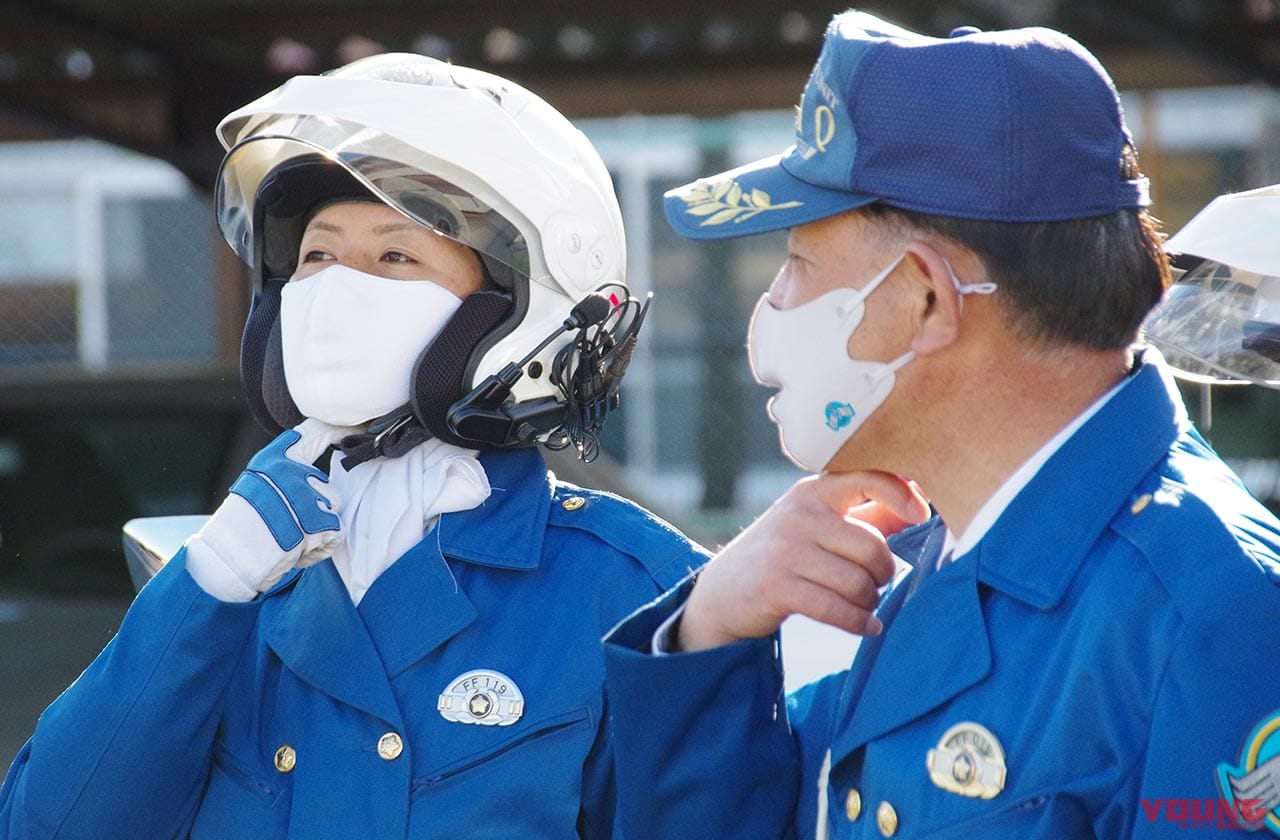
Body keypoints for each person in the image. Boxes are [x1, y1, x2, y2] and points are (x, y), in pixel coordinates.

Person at [601, 12, 1280, 840]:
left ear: (925, 297)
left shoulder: (1222, 613)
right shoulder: (925, 556)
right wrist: (706, 636)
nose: (773, 301)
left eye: (800, 261)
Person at [0, 54, 706, 838]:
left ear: (513, 308)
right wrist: (205, 591)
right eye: (317, 254)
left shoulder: (637, 591)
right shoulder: (234, 582)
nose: (337, 286)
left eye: (395, 255)